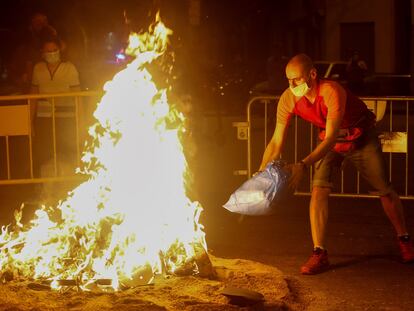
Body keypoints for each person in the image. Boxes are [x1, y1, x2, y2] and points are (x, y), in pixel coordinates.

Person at [259, 53, 414, 275]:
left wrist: (303, 165)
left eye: (297, 79)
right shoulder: (288, 98)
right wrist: (260, 172)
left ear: (312, 74)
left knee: (384, 190)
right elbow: (276, 141)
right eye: (288, 80)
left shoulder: (331, 91)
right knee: (318, 190)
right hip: (329, 140)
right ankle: (319, 253)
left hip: (361, 137)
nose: (292, 85)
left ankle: (404, 238)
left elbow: (332, 136)